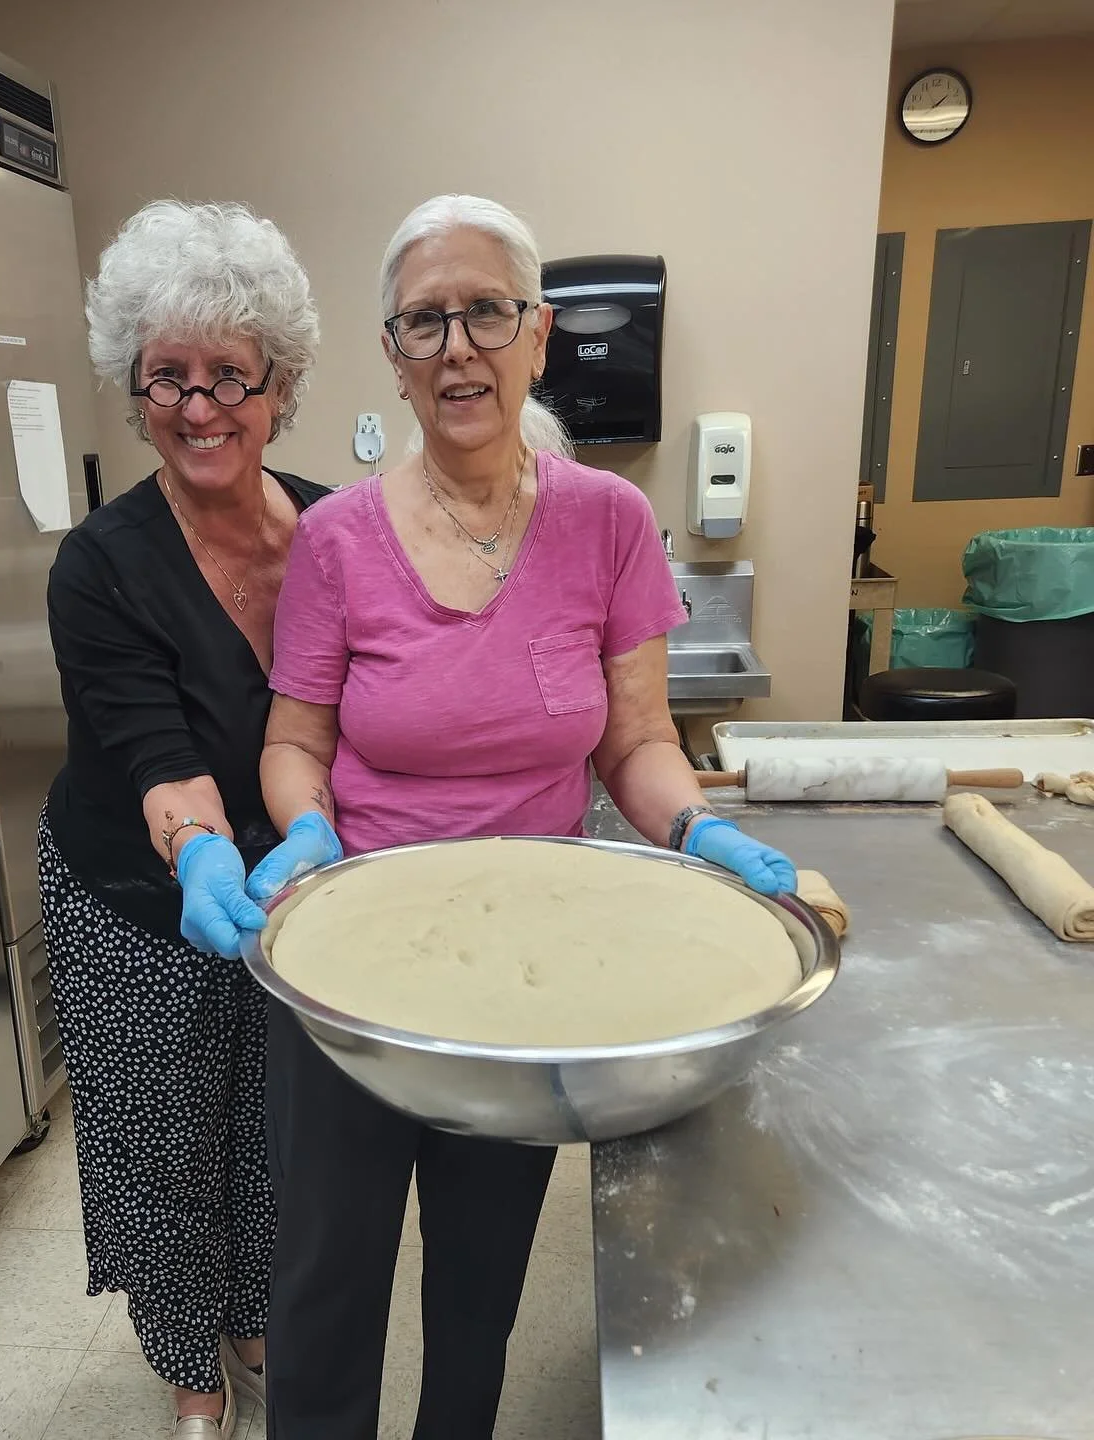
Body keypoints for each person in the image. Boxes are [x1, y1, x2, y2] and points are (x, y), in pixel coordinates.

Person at [240, 194, 797, 1439]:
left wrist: (699, 830)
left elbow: (637, 740)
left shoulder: (606, 523)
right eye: (424, 321)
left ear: (538, 336)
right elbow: (294, 742)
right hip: (352, 974)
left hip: (527, 986)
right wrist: (307, 829)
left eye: (486, 312)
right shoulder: (335, 540)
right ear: (394, 354)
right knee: (325, 1282)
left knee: (481, 1283)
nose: (457, 347)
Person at [38, 199, 322, 1439]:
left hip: (289, 887)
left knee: (266, 1130)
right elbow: (158, 754)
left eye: (229, 376)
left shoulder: (335, 532)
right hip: (133, 895)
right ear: (134, 388)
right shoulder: (100, 564)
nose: (200, 406)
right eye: (169, 377)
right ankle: (191, 1377)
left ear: (280, 386)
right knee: (163, 1146)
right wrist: (203, 854)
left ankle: (252, 1326)